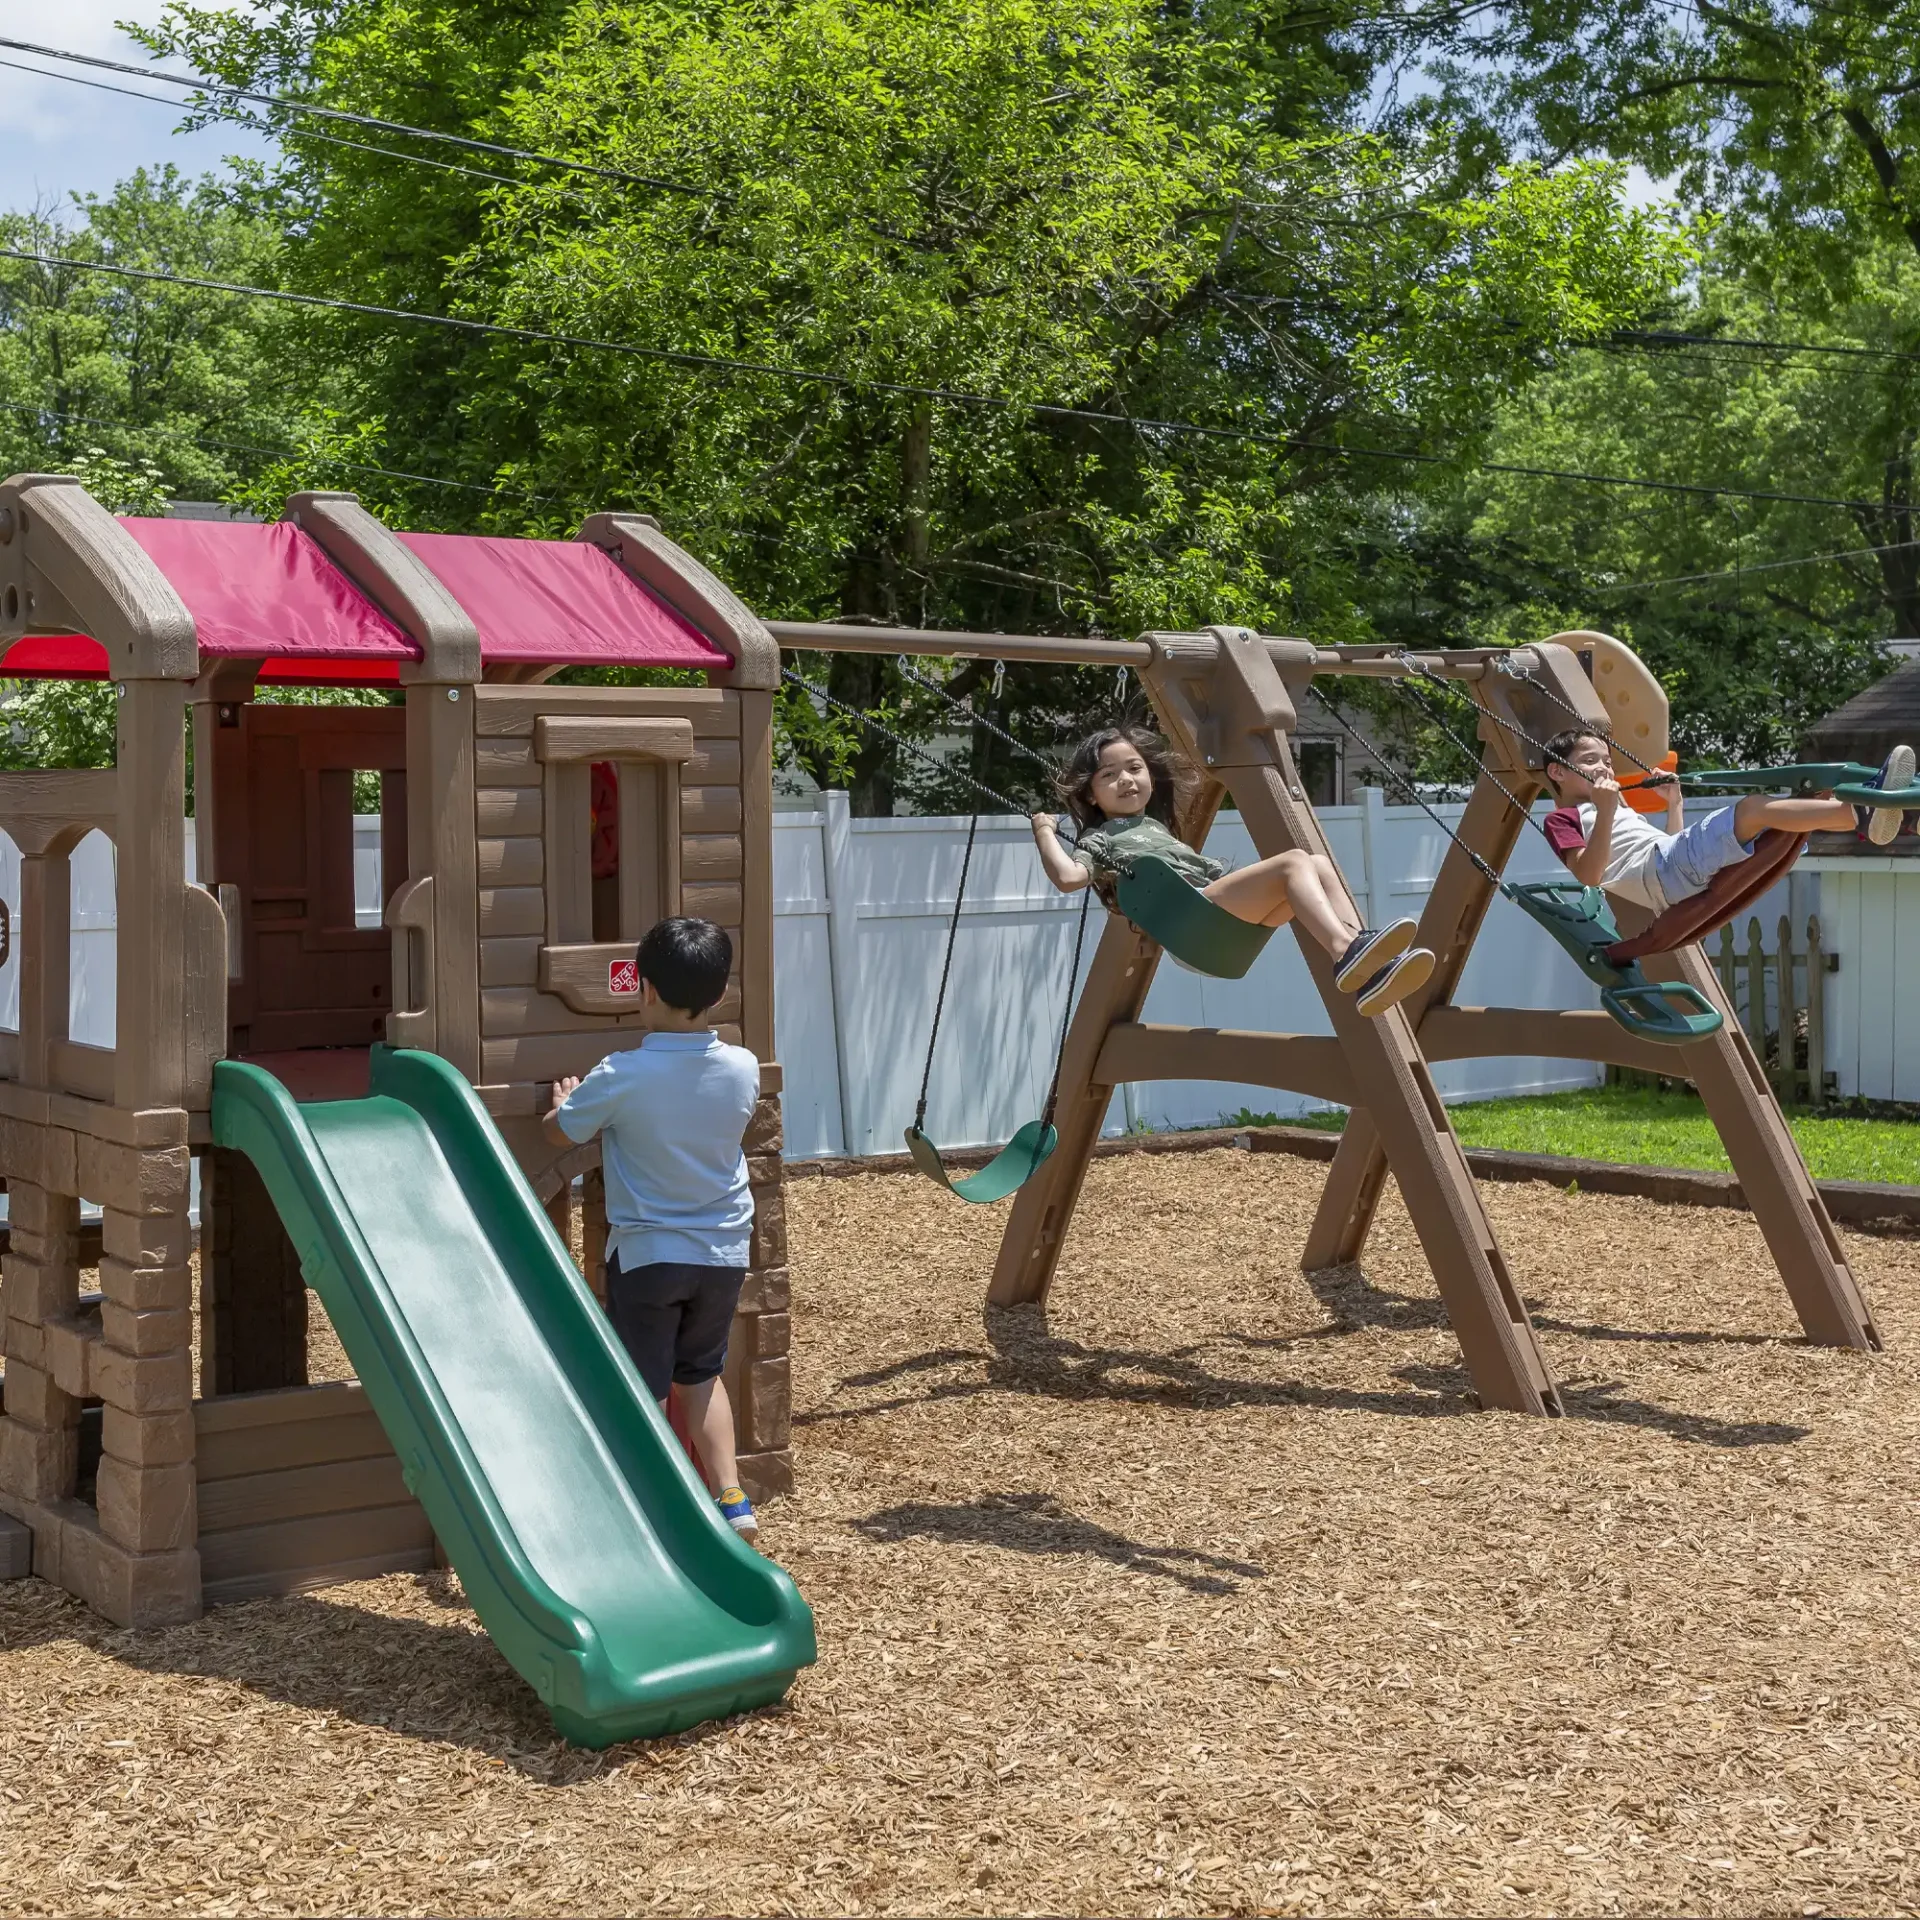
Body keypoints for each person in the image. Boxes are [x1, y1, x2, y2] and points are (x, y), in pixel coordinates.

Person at [543, 915, 762, 1540]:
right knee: (699, 1376)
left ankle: (650, 1505)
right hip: (723, 1251)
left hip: (650, 1255)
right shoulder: (742, 1068)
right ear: (719, 996)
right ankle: (731, 1496)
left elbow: (561, 1132)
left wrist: (564, 1105)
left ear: (642, 990)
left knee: (642, 1387)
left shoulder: (623, 1073)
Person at [1030, 724, 1436, 1016]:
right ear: (1090, 793)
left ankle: (1363, 965)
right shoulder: (1103, 838)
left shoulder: (1154, 828)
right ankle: (1346, 951)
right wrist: (1045, 831)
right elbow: (1069, 879)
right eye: (1109, 774)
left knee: (1317, 863)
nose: (1126, 779)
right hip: (1193, 921)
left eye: (1134, 768)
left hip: (1222, 926)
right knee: (1294, 862)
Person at [1540, 729, 1917, 910]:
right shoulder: (1564, 819)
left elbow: (1672, 849)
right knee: (1753, 809)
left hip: (1671, 870)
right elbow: (1589, 876)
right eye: (1590, 761)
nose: (1604, 767)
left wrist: (1675, 805)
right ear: (1557, 773)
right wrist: (1607, 812)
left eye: (1607, 761)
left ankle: (1895, 819)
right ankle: (1861, 812)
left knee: (1788, 809)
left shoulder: (1613, 809)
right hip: (1665, 876)